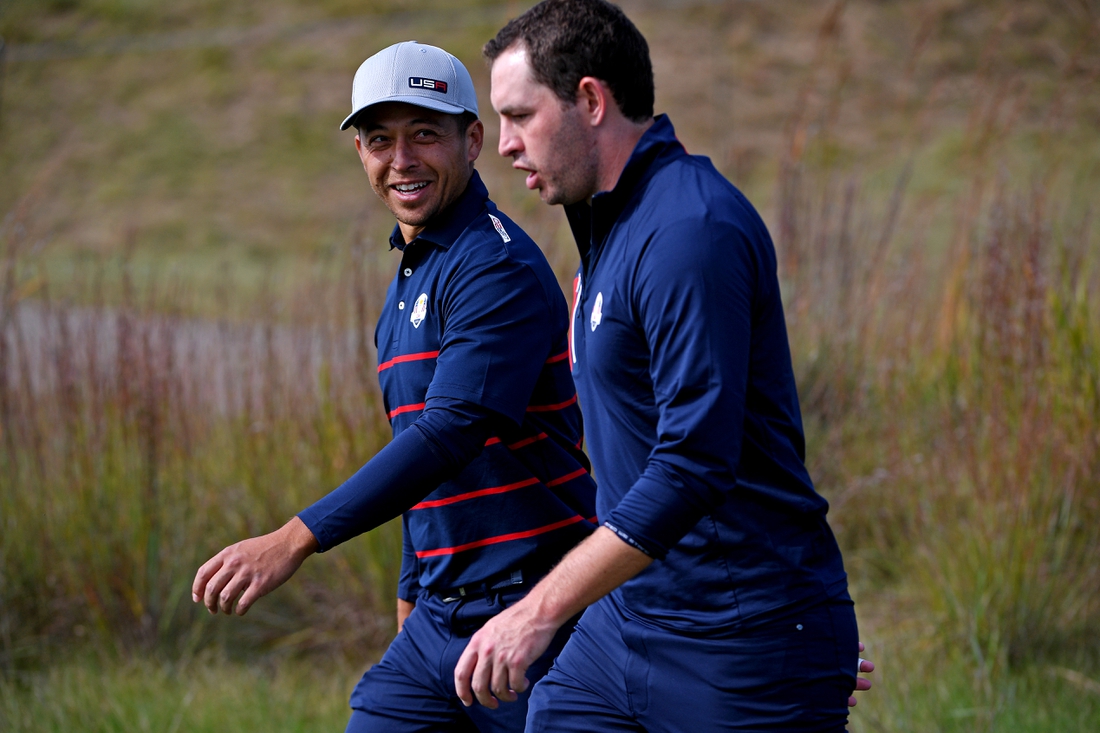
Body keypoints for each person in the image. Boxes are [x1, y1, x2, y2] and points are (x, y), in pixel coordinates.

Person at [455, 1, 870, 729]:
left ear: (590, 99)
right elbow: (623, 443)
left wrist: (539, 610)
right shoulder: (609, 228)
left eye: (521, 116)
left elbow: (690, 466)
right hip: (624, 630)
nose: (506, 145)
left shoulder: (688, 233)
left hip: (741, 644)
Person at [191, 41, 600, 732]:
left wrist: (295, 537)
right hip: (437, 623)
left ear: (472, 140)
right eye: (380, 139)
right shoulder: (410, 279)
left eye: (424, 135)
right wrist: (412, 594)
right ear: (360, 153)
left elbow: (449, 435)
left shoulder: (494, 269)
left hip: (535, 615)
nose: (401, 160)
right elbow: (417, 450)